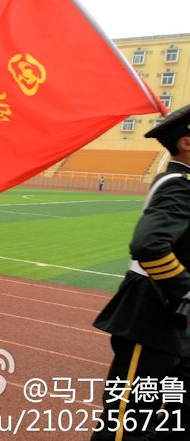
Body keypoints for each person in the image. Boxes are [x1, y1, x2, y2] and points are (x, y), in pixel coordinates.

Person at [90, 105, 190, 441]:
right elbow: (149, 246)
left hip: (176, 319)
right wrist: (185, 290)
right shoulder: (179, 184)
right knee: (127, 421)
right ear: (186, 142)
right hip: (154, 313)